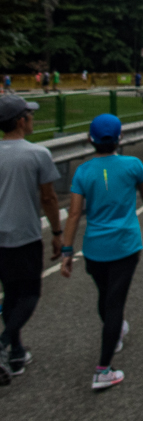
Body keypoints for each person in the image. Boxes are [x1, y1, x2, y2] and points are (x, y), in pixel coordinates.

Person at [59, 114, 143, 390]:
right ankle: (103, 369)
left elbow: (74, 214)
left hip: (94, 248)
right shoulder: (133, 165)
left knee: (105, 297)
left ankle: (114, 334)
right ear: (120, 139)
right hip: (125, 245)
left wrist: (67, 250)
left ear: (89, 140)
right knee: (115, 302)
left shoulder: (83, 171)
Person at [0, 94, 62, 385]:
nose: (32, 119)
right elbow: (48, 197)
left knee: (11, 293)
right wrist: (58, 233)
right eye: (30, 115)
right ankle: (3, 342)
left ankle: (16, 351)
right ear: (21, 121)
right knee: (30, 294)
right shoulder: (37, 154)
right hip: (24, 234)